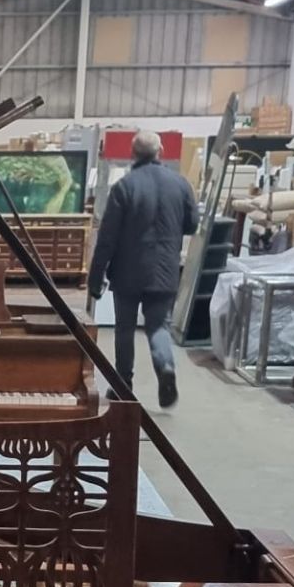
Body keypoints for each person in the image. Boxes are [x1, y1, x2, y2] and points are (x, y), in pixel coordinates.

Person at [87, 130, 198, 408]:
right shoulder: (181, 185)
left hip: (127, 273)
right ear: (160, 151)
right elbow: (193, 225)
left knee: (124, 330)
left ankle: (123, 386)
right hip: (165, 271)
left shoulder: (124, 187)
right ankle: (165, 367)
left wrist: (95, 277)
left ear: (132, 153)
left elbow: (107, 238)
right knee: (158, 326)